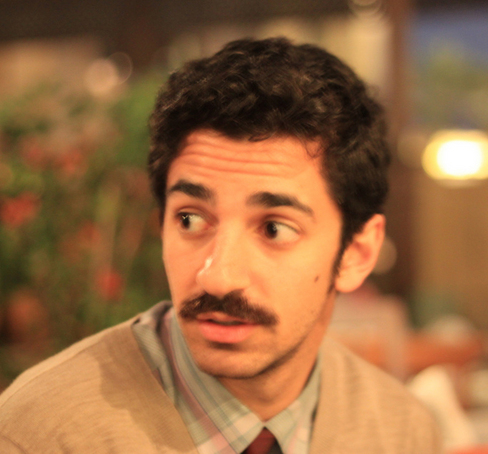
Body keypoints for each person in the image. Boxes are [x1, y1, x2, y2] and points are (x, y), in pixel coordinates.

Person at [0, 37, 441, 453]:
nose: (218, 276)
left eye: (274, 229)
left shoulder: (401, 431)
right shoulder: (40, 435)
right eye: (190, 220)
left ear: (357, 254)